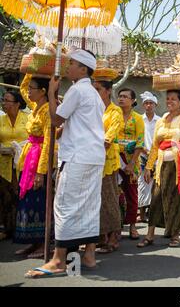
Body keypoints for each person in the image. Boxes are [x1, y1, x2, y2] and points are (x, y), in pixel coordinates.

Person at [25, 48, 105, 278]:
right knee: (89, 205)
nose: (68, 66)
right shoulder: (92, 94)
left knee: (65, 205)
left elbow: (55, 120)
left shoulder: (78, 90)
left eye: (72, 63)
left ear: (83, 69)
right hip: (92, 157)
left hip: (79, 157)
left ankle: (59, 260)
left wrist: (51, 94)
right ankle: (89, 255)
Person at [139, 70, 180, 248]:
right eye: (168, 98)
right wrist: (149, 167)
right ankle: (149, 235)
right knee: (156, 198)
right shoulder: (161, 120)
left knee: (177, 200)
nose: (169, 101)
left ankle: (175, 235)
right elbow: (156, 145)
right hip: (161, 165)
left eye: (173, 99)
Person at [13, 74, 54, 259]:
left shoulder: (47, 110)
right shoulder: (35, 107)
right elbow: (22, 89)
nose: (28, 91)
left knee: (39, 202)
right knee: (27, 201)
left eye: (32, 88)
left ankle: (43, 244)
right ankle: (32, 242)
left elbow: (48, 143)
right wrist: (31, 70)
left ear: (43, 91)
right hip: (28, 157)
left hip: (39, 160)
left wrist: (41, 171)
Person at [93, 75, 124, 253]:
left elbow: (109, 137)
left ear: (108, 91)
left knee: (109, 199)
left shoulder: (115, 112)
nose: (95, 93)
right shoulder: (93, 109)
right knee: (95, 200)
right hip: (92, 160)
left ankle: (113, 236)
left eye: (98, 89)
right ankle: (101, 236)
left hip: (107, 161)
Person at [117, 88, 145, 239]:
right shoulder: (113, 115)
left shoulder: (138, 118)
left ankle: (133, 226)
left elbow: (140, 142)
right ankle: (116, 226)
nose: (121, 99)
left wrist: (131, 163)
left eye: (125, 97)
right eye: (120, 96)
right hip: (114, 159)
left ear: (133, 100)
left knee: (132, 193)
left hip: (131, 160)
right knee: (114, 193)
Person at [0, 91, 28, 241]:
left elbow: (32, 139)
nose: (4, 103)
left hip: (23, 163)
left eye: (7, 101)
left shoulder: (27, 119)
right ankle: (6, 228)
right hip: (4, 163)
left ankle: (21, 228)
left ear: (17, 104)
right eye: (3, 101)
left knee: (20, 194)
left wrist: (19, 148)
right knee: (5, 196)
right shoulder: (1, 120)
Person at [137, 91, 160, 223]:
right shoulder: (139, 119)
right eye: (146, 103)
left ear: (155, 105)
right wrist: (143, 150)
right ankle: (142, 213)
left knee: (155, 185)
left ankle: (153, 212)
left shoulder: (160, 120)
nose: (148, 105)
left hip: (157, 156)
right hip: (142, 154)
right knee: (143, 184)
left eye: (151, 103)